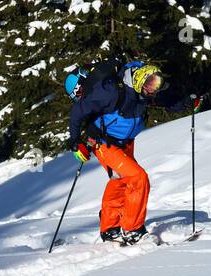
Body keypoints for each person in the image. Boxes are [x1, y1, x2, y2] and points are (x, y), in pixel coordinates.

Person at [66, 61, 200, 244]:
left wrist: (187, 103)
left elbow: (168, 102)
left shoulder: (145, 90)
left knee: (119, 180)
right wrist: (75, 142)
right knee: (138, 178)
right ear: (138, 80)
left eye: (155, 85)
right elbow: (78, 111)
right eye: (150, 85)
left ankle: (109, 228)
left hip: (126, 143)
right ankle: (132, 230)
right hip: (102, 142)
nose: (153, 89)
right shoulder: (111, 91)